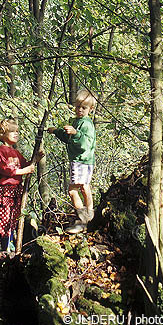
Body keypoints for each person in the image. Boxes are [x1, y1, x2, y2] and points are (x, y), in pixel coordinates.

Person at [47, 88, 97, 234]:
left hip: (82, 161)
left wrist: (75, 133)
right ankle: (88, 216)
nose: (80, 110)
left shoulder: (86, 124)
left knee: (73, 190)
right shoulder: (78, 121)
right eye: (78, 107)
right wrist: (56, 131)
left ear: (91, 109)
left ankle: (84, 220)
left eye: (84, 107)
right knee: (83, 187)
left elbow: (85, 144)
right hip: (82, 161)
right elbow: (69, 139)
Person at [0, 119, 35, 252]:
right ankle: (6, 247)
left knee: (15, 218)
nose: (16, 134)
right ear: (2, 133)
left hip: (17, 190)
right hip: (5, 190)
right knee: (5, 219)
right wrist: (24, 171)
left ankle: (14, 245)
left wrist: (37, 159)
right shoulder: (1, 151)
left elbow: (25, 164)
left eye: (17, 131)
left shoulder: (15, 152)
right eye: (12, 131)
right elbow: (6, 169)